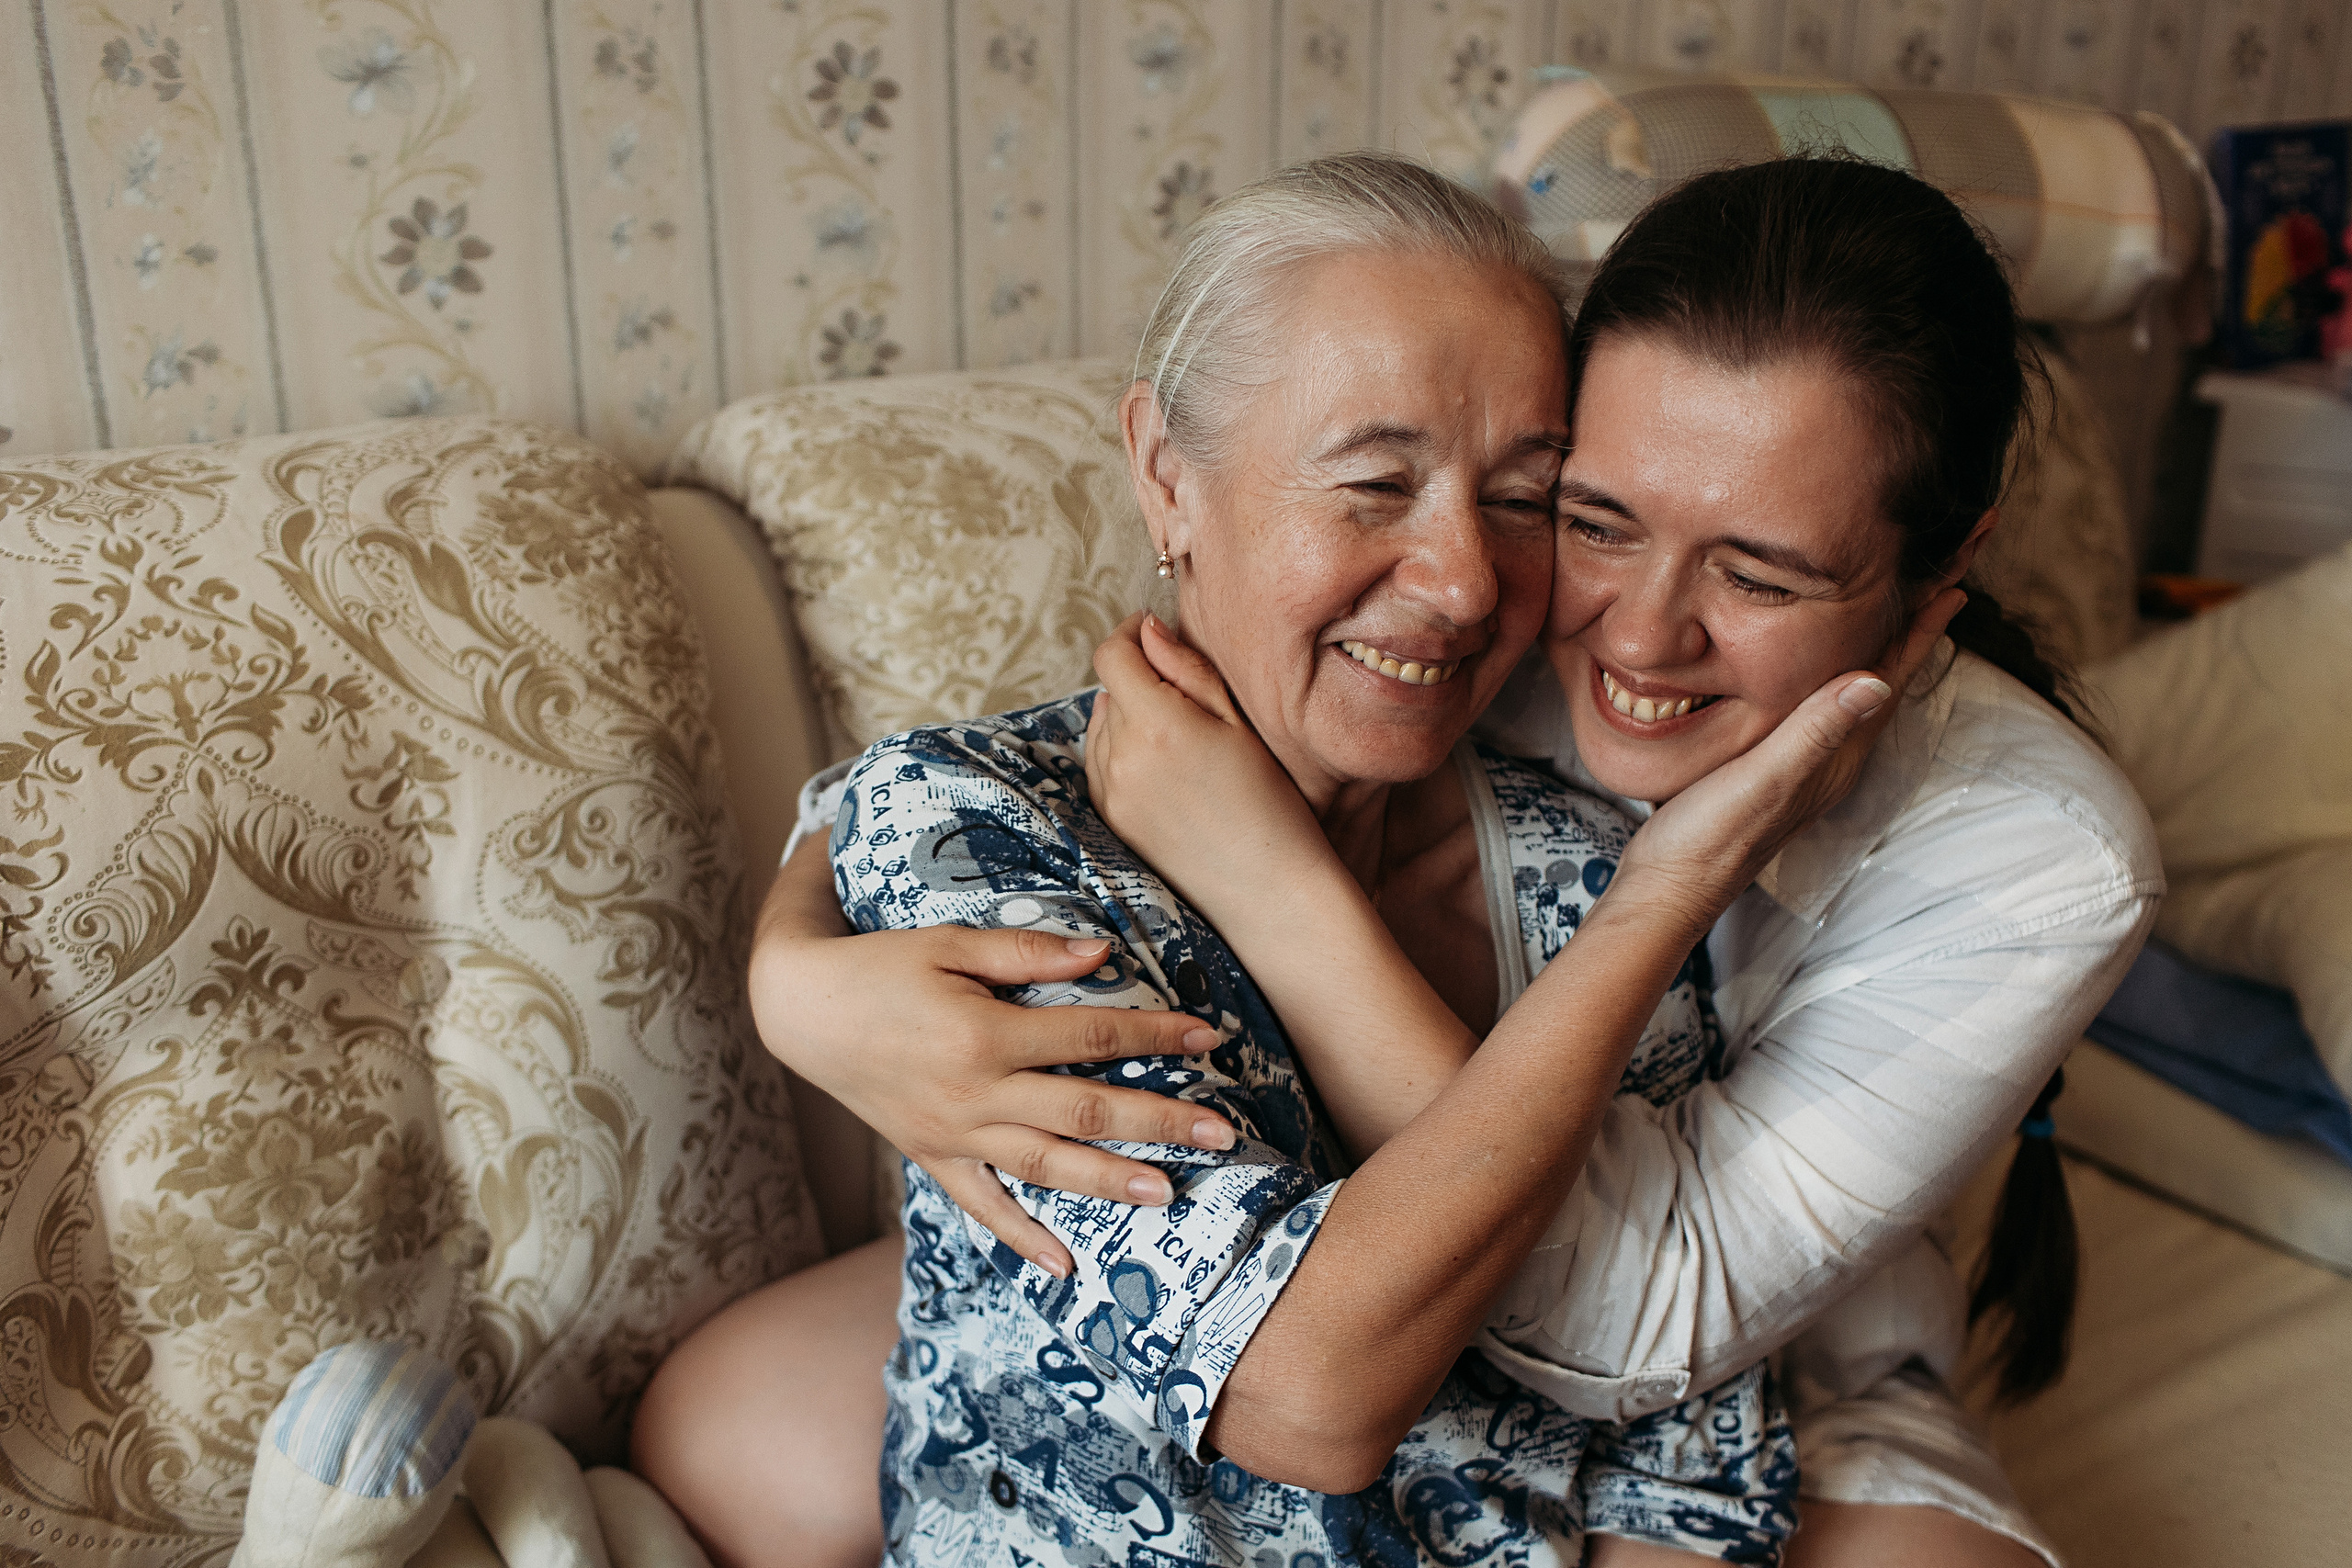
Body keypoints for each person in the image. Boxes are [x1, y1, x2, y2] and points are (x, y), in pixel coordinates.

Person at [639, 157, 2163, 1567]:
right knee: (718, 1427)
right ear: (1165, 473)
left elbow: (1647, 1350)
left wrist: (1610, 892)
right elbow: (962, 792)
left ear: (1932, 583)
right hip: (1306, 1332)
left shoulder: (2014, 854)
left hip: (1733, 1325)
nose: (1616, 631)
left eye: (1518, 500)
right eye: (1595, 520)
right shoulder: (1435, 652)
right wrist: (796, 970)